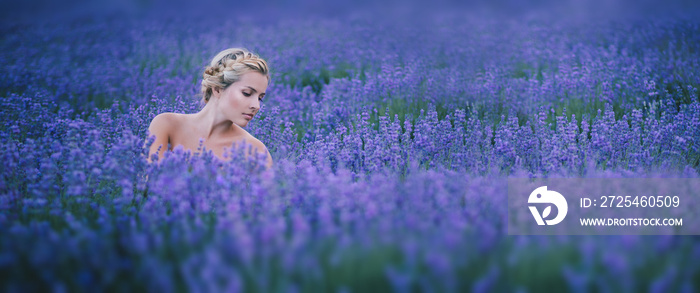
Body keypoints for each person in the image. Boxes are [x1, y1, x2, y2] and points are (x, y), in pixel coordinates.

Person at [146, 48, 273, 169]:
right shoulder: (167, 125)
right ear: (217, 89)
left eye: (260, 98)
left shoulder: (256, 151)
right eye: (247, 93)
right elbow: (148, 185)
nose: (256, 106)